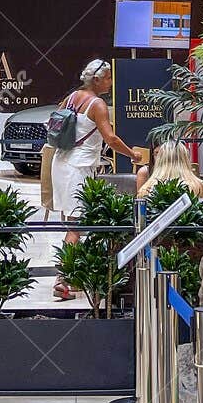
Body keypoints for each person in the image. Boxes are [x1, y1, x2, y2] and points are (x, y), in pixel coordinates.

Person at [50, 59, 136, 300]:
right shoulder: (98, 104)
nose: (111, 82)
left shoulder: (71, 97)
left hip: (61, 162)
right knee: (76, 226)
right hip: (78, 167)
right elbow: (111, 139)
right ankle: (63, 279)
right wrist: (132, 154)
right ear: (97, 80)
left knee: (71, 221)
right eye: (108, 78)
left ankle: (73, 275)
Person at [136, 139, 203, 199]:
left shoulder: (147, 190)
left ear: (160, 159)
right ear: (185, 157)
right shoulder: (201, 187)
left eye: (158, 154)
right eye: (156, 153)